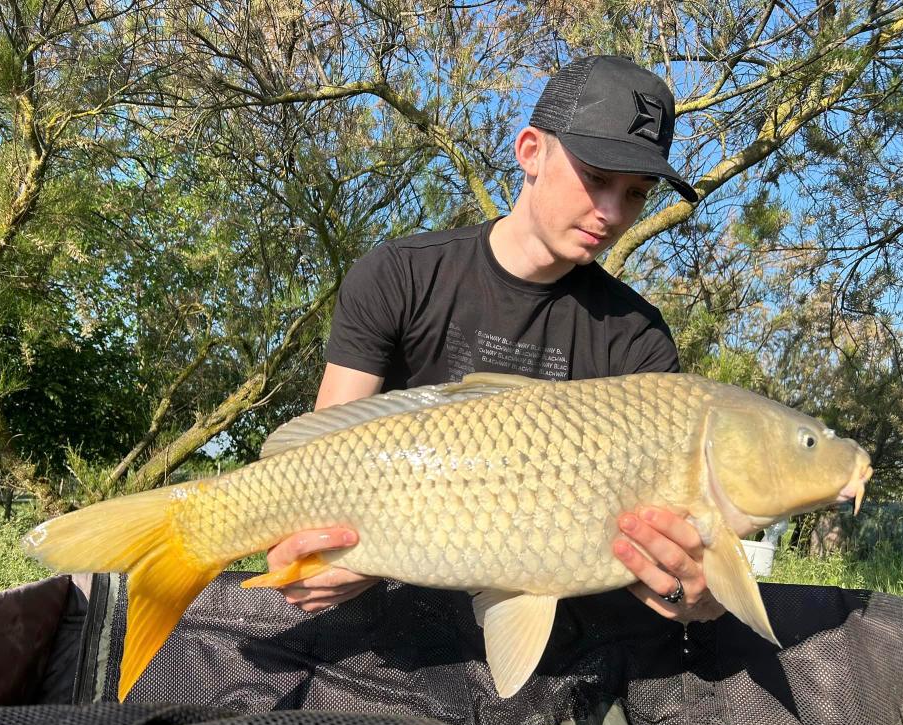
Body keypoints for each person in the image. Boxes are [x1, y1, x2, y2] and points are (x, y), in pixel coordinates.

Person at [266, 56, 725, 627]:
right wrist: (309, 555)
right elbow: (315, 468)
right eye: (598, 177)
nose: (611, 213)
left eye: (636, 193)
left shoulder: (638, 341)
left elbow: (673, 564)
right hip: (387, 613)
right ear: (531, 151)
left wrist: (689, 597)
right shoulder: (397, 275)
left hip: (558, 633)